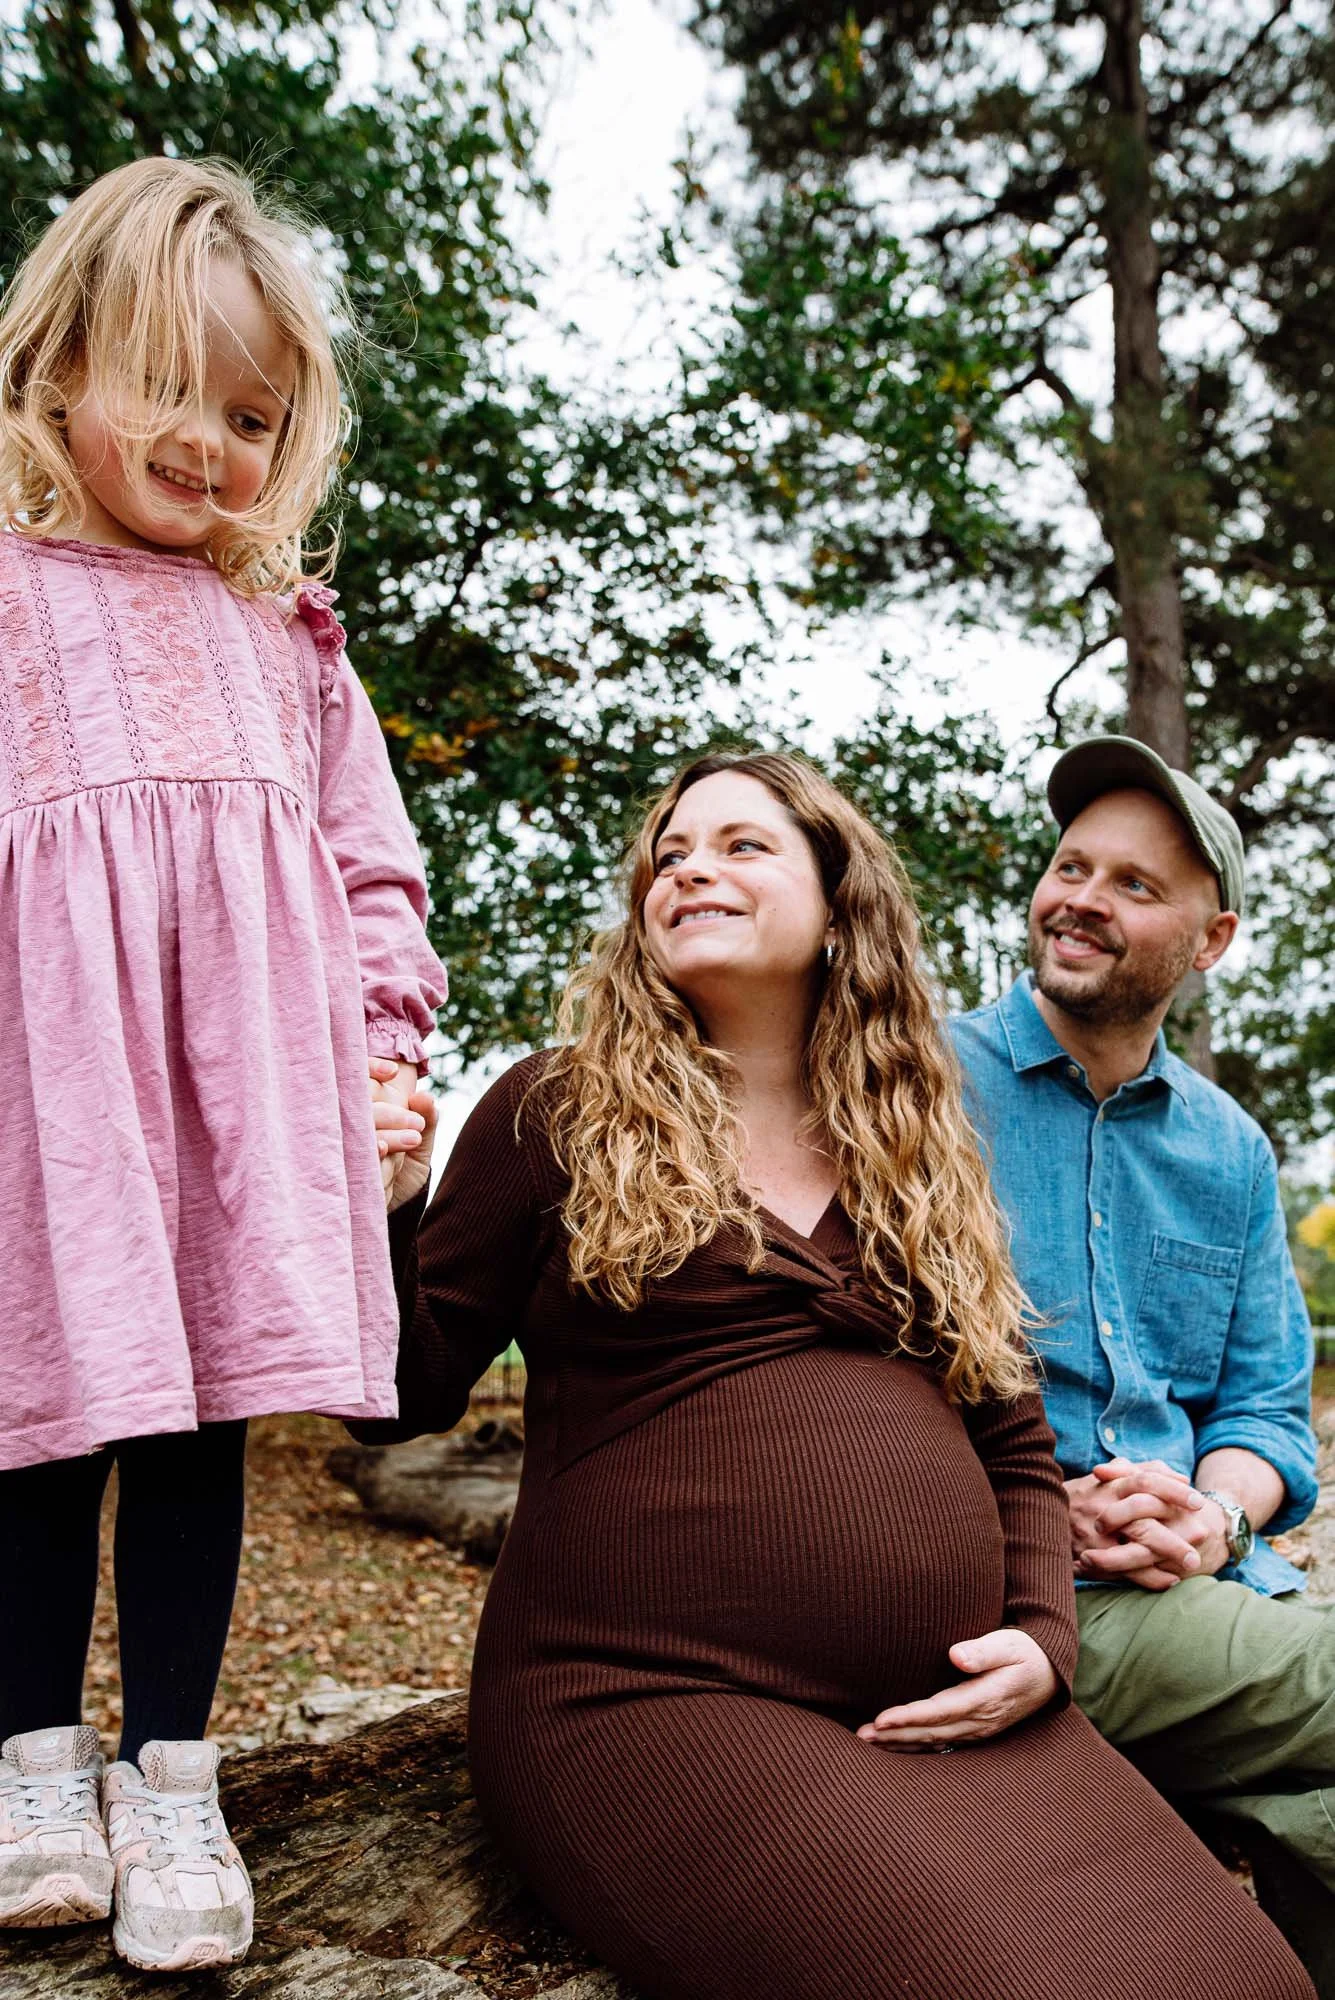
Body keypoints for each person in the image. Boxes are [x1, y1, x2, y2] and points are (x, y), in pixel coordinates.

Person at [365, 750, 1311, 2000]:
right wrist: (383, 1207)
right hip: (651, 1694)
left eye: (743, 844)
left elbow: (1015, 1444)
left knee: (1242, 1976)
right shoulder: (562, 1108)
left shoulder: (913, 1144)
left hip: (948, 1698)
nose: (691, 865)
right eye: (672, 851)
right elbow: (402, 1391)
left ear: (838, 901)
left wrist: (1041, 1640)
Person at [0, 156, 444, 1971]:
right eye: (172, 387)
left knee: (197, 1425)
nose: (210, 440)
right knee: (35, 1427)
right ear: (61, 365)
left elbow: (370, 869)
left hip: (240, 1116)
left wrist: (382, 1053)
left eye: (252, 413)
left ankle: (171, 1770)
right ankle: (32, 1761)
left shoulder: (287, 640)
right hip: (54, 1117)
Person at [950, 734, 1334, 1993]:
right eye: (1073, 865)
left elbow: (1270, 1412)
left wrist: (1212, 1514)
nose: (1082, 900)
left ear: (1210, 940)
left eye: (1133, 884)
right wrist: (1034, 1503)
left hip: (1203, 1586)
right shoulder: (918, 1084)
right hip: (1016, 1588)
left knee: (1313, 1812)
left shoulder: (1228, 1148)